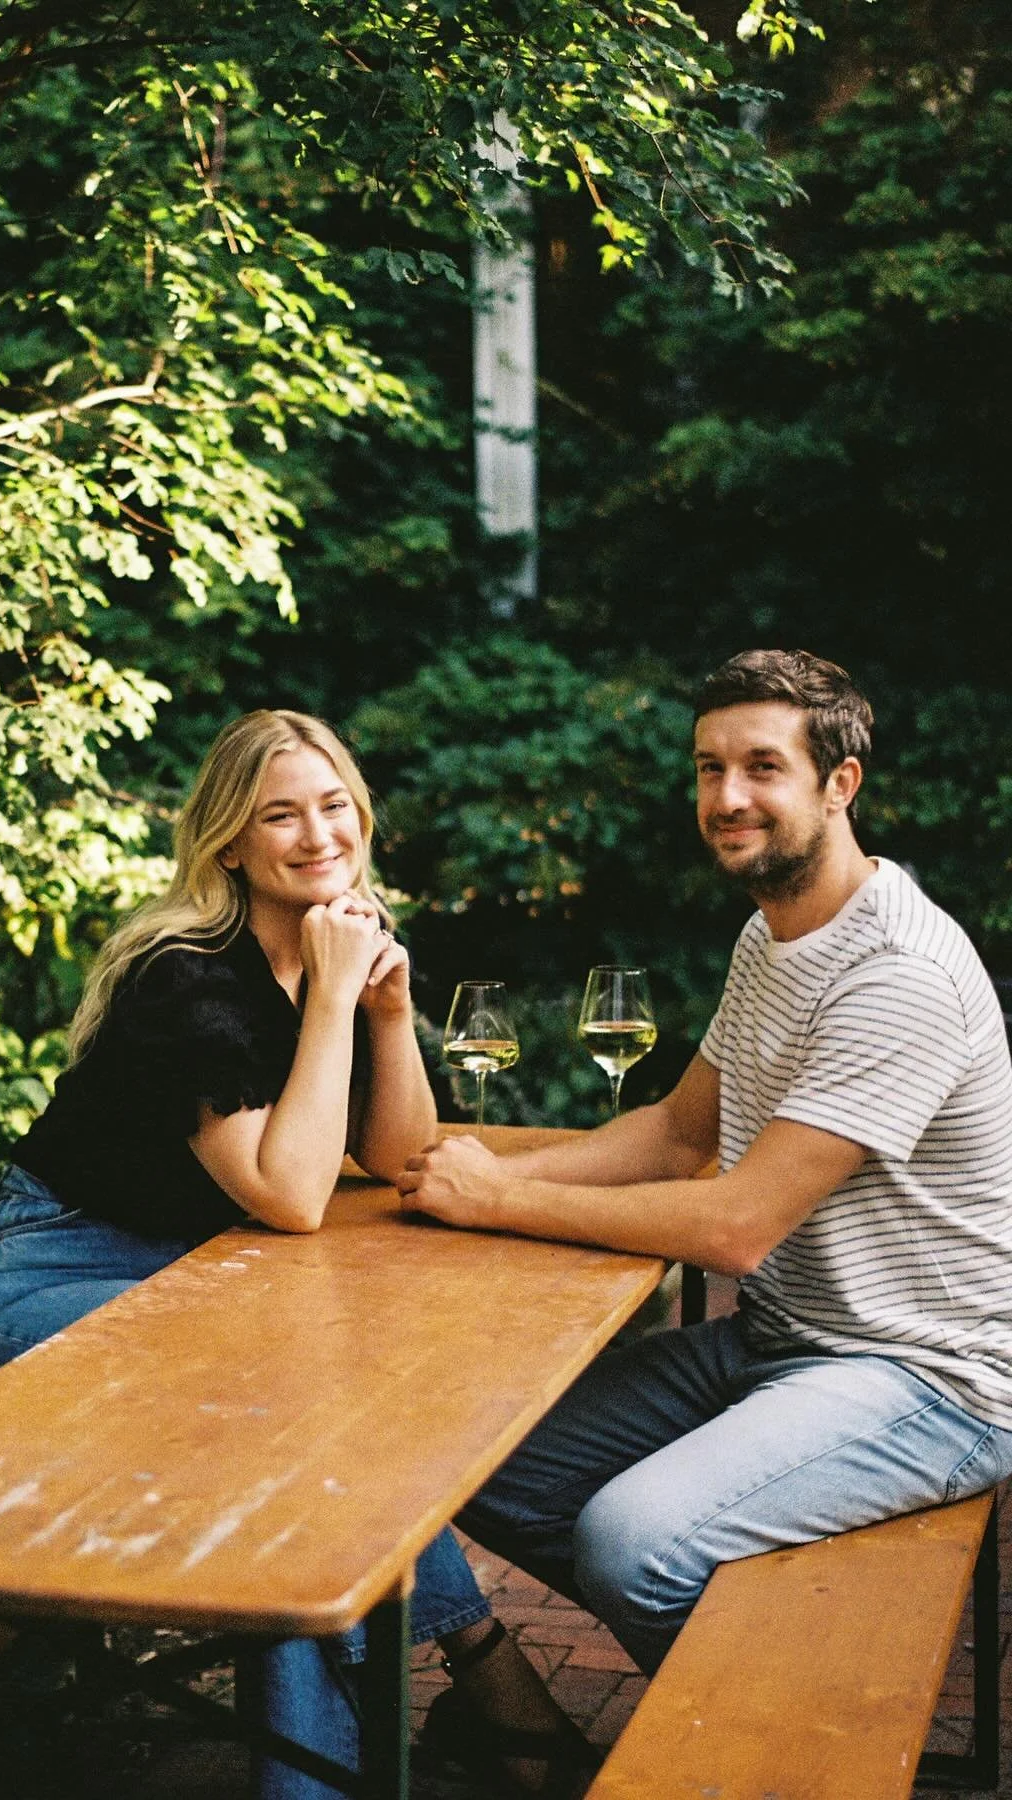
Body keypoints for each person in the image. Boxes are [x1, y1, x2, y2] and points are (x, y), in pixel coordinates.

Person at [0, 708, 591, 1799]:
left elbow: (396, 1153)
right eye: (280, 816)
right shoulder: (185, 976)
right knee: (296, 1449)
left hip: (202, 1283)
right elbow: (294, 1197)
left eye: (334, 806)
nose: (316, 835)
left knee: (301, 1457)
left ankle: (378, 1742)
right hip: (61, 1283)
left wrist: (387, 1012)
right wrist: (337, 994)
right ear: (230, 844)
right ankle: (479, 1674)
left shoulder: (333, 942)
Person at [398, 648, 1012, 1703]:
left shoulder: (896, 974)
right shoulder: (773, 936)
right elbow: (681, 1134)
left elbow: (737, 1228)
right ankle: (740, 1654)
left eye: (762, 767)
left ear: (839, 784)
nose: (727, 798)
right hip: (781, 1340)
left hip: (931, 1377)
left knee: (633, 1543)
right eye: (707, 769)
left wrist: (499, 1199)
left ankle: (791, 1741)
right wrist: (474, 1165)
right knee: (473, 1455)